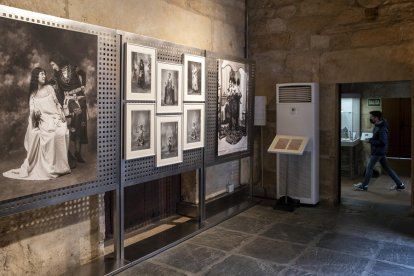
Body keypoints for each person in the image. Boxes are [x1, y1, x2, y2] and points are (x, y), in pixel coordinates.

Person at [3, 67, 70, 180]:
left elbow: (57, 103)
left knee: (62, 132)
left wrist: (61, 114)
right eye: (41, 74)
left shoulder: (49, 88)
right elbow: (32, 113)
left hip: (54, 117)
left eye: (44, 74)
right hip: (43, 121)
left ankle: (62, 167)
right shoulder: (33, 95)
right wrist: (36, 114)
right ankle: (50, 168)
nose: (44, 76)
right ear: (36, 77)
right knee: (51, 136)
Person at [49, 56, 88, 166]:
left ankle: (78, 153)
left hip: (80, 99)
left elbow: (83, 73)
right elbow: (55, 87)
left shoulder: (73, 69)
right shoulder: (56, 75)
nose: (52, 67)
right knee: (70, 124)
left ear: (58, 62)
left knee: (80, 126)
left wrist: (83, 85)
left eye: (53, 64)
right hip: (68, 102)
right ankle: (67, 155)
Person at [354, 111, 405, 191]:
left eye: (372, 117)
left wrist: (370, 141)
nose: (370, 118)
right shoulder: (378, 125)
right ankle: (400, 184)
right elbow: (378, 139)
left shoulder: (382, 128)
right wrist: (371, 139)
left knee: (369, 167)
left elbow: (382, 142)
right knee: (388, 169)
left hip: (378, 152)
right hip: (380, 152)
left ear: (376, 118)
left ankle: (364, 186)